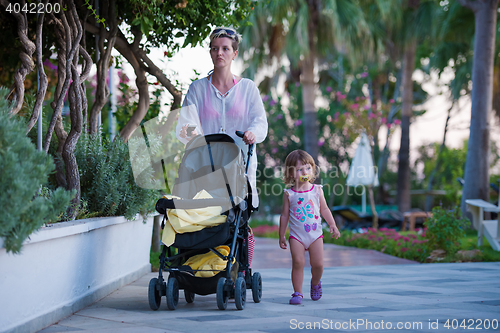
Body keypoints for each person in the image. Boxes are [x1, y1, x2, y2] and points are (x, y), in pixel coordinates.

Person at [176, 27, 267, 209]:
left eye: (225, 48)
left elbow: (260, 121)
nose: (219, 53)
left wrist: (252, 133)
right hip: (206, 167)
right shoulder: (197, 89)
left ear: (235, 53)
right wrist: (199, 142)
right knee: (206, 215)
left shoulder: (248, 88)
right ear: (210, 52)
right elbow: (186, 124)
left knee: (239, 215)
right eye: (214, 48)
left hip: (240, 166)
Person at [279, 150, 341, 305]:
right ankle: (297, 293)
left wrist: (332, 224)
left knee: (318, 264)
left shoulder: (316, 190)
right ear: (291, 174)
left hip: (315, 235)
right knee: (298, 262)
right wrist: (281, 235)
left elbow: (324, 209)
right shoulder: (289, 194)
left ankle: (315, 283)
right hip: (297, 236)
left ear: (312, 169)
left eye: (307, 168)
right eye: (300, 170)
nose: (304, 172)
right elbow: (284, 216)